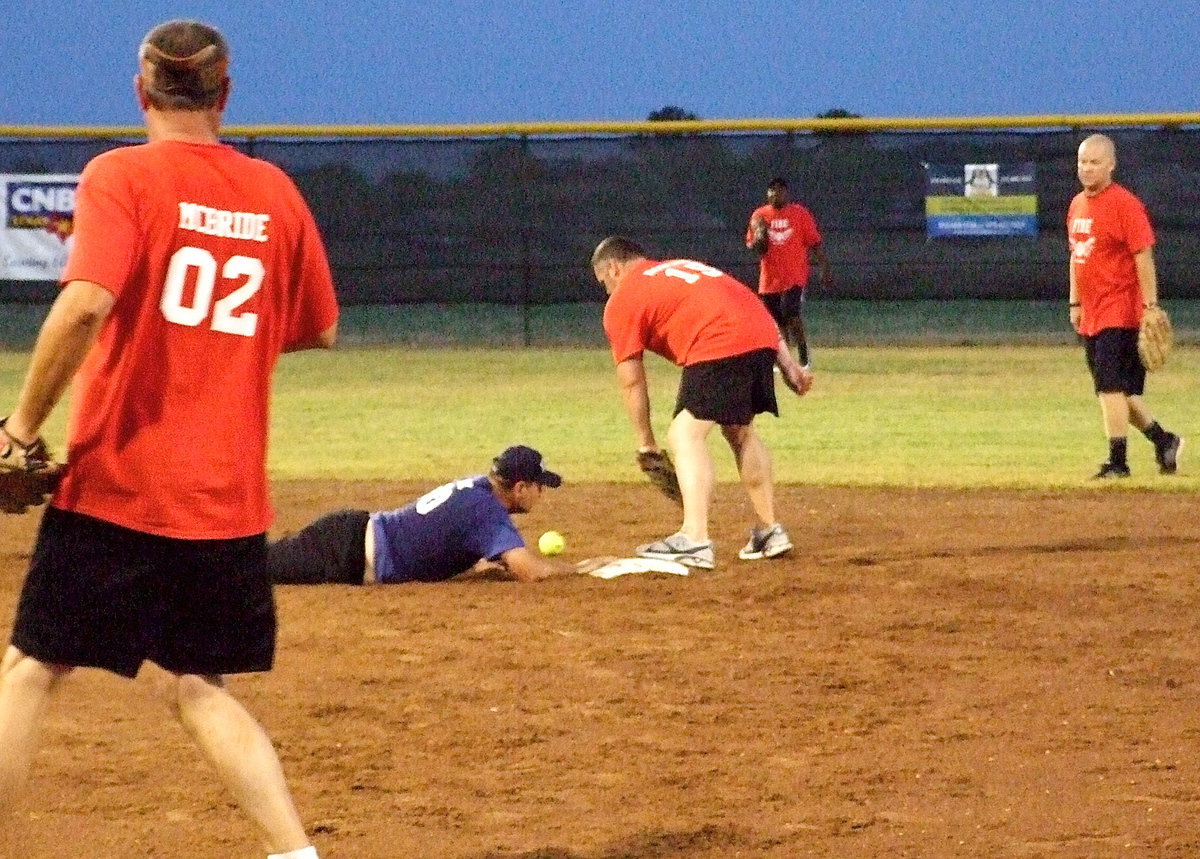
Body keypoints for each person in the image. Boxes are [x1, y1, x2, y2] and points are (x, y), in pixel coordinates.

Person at [0, 21, 338, 859]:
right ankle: (297, 854)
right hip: (225, 499)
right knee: (196, 685)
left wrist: (18, 428)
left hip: (121, 484)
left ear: (141, 92)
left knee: (33, 669)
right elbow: (319, 329)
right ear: (225, 95)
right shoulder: (275, 193)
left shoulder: (122, 173)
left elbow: (84, 304)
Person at [591, 236, 813, 570]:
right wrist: (789, 365)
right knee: (740, 431)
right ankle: (769, 531)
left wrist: (646, 443)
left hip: (717, 341)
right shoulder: (681, 268)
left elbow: (632, 380)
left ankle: (694, 538)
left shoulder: (623, 298)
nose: (607, 289)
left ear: (614, 267)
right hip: (760, 337)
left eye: (604, 282)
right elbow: (749, 302)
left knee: (684, 435)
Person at [269, 445, 587, 585]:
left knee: (266, 560)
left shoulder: (479, 489)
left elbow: (447, 535)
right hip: (342, 551)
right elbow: (530, 572)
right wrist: (580, 569)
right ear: (519, 488)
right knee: (254, 566)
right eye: (538, 486)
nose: (541, 493)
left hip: (350, 539)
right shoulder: (487, 512)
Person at [1068, 133, 1182, 479]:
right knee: (1121, 394)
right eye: (1082, 162)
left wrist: (1150, 306)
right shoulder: (1076, 205)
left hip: (1121, 310)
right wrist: (1075, 301)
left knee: (1109, 389)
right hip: (1092, 310)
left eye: (1095, 162)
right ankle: (1165, 440)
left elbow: (1143, 257)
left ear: (1111, 165)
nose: (1087, 169)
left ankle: (1118, 462)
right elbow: (1077, 255)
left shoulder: (1125, 204)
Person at [745, 177, 831, 369]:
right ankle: (783, 358)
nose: (777, 193)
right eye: (772, 190)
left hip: (794, 276)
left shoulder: (799, 213)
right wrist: (759, 240)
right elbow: (753, 244)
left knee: (791, 312)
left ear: (787, 193)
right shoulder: (760, 216)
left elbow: (815, 243)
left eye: (781, 190)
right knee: (776, 320)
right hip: (769, 279)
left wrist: (824, 268)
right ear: (767, 194)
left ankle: (803, 354)